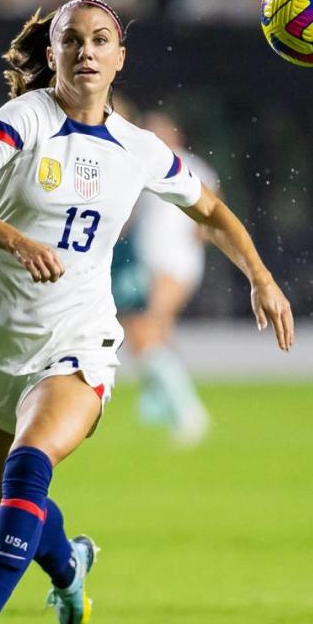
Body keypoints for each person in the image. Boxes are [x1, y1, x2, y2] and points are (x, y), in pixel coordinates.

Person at [0, 0, 294, 624]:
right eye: (73, 40)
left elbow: (209, 210)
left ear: (120, 57)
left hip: (79, 335)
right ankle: (70, 565)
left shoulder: (142, 150)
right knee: (14, 511)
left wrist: (261, 276)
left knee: (30, 466)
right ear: (55, 54)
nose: (87, 51)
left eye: (101, 40)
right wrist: (15, 238)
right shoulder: (23, 120)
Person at [113, 109, 219, 447]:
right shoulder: (147, 165)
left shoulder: (193, 167)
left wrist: (199, 236)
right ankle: (162, 402)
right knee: (145, 333)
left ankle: (187, 413)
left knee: (149, 330)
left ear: (176, 134)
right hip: (147, 264)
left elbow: (212, 211)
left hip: (174, 265)